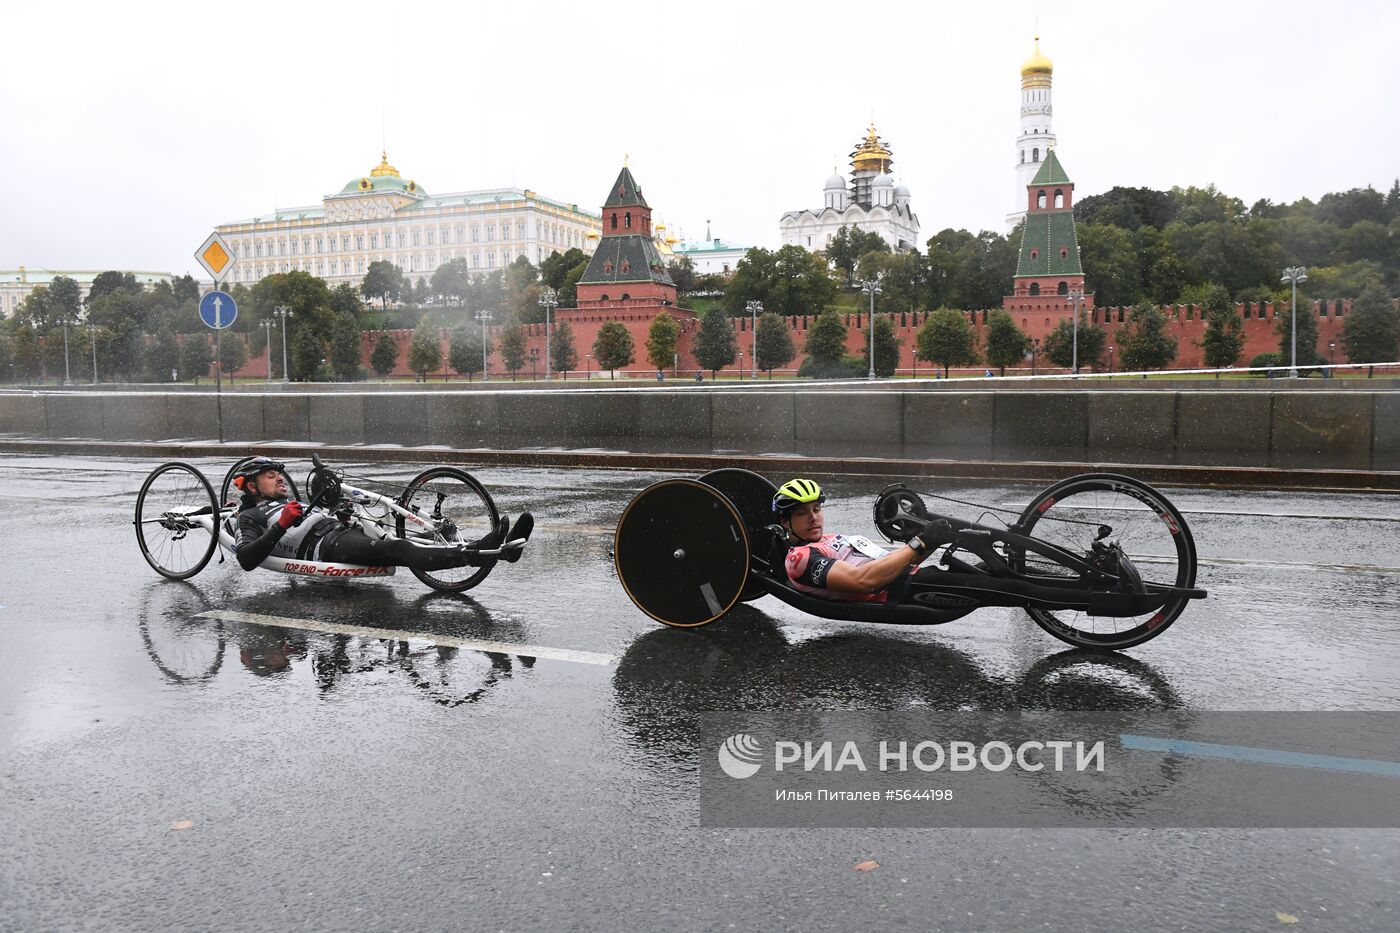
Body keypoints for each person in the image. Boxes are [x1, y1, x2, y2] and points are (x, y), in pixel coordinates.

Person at [230, 457, 532, 573]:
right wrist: (281, 525)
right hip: (325, 547)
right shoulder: (250, 517)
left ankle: (494, 548)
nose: (280, 480)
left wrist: (341, 512)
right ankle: (484, 554)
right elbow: (246, 558)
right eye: (271, 476)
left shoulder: (287, 502)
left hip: (341, 532)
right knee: (398, 549)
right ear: (252, 485)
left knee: (419, 536)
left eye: (279, 475)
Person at [774, 477, 939, 604]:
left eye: (816, 509)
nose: (813, 518)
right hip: (903, 588)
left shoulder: (830, 538)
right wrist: (919, 543)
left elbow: (899, 562)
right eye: (802, 513)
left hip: (916, 575)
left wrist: (932, 540)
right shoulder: (799, 558)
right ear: (785, 522)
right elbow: (863, 580)